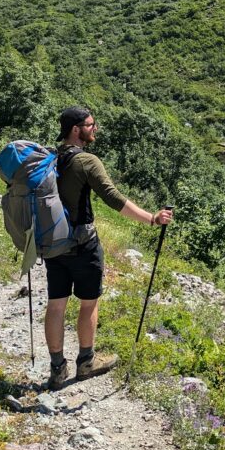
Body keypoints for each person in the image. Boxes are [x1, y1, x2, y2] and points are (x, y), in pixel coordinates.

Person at [45, 105, 174, 389]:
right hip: (82, 244)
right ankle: (86, 362)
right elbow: (114, 199)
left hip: (53, 243)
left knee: (56, 305)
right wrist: (152, 219)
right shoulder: (86, 161)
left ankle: (56, 369)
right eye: (91, 125)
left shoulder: (51, 159)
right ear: (76, 130)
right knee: (88, 303)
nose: (95, 129)